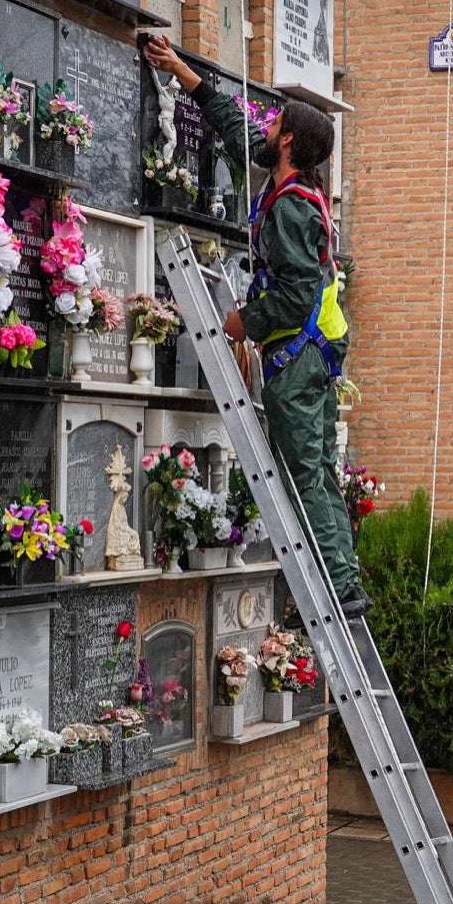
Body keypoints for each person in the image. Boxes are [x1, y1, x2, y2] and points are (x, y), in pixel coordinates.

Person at [141, 35, 367, 617]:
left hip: (299, 349)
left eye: (275, 122)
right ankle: (345, 575)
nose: (265, 125)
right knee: (316, 470)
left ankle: (340, 585)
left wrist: (244, 321)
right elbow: (236, 128)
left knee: (305, 471)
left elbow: (293, 296)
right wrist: (182, 73)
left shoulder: (290, 207)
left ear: (288, 140)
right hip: (311, 349)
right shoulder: (288, 183)